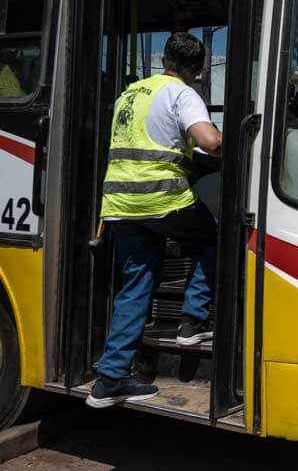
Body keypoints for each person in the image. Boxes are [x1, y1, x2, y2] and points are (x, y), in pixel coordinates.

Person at [86, 32, 223, 409]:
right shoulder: (182, 93)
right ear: (196, 70)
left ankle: (111, 378)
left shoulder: (129, 95)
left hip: (118, 204)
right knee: (212, 237)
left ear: (163, 58)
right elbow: (209, 141)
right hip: (161, 200)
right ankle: (191, 325)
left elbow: (152, 143)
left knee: (137, 282)